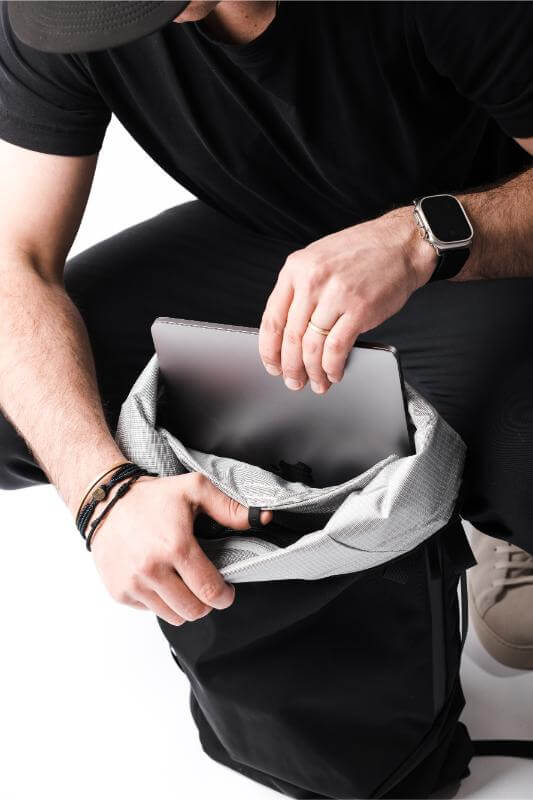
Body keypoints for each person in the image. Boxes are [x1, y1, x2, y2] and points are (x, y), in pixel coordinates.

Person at [0, 0, 532, 727]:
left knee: (523, 459)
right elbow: (17, 260)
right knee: (21, 399)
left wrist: (421, 237)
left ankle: (470, 503)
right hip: (271, 235)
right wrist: (104, 494)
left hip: (476, 252)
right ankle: (308, 502)